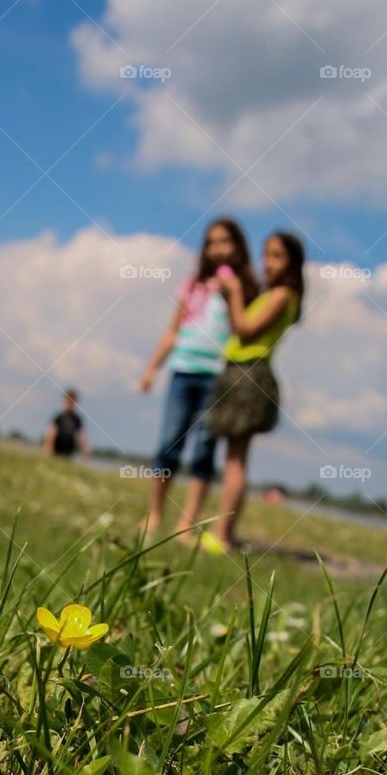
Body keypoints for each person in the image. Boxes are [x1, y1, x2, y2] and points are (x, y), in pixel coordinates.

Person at [139, 218, 258, 541]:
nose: (218, 248)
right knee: (168, 444)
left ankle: (185, 524)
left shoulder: (245, 286)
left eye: (225, 241)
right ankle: (154, 515)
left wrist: (232, 291)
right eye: (212, 242)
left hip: (218, 376)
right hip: (183, 369)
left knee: (204, 451)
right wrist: (152, 367)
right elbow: (173, 329)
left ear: (238, 246)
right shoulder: (193, 284)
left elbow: (243, 331)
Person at [201, 231, 305, 554]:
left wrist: (232, 293)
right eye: (266, 254)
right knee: (233, 457)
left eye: (277, 256)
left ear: (292, 263)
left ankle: (221, 533)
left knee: (235, 461)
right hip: (240, 371)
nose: (268, 262)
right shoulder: (270, 293)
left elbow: (245, 329)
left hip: (250, 374)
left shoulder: (282, 295)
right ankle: (225, 532)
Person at [44, 388, 90, 459]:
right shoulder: (59, 416)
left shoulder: (76, 419)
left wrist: (85, 451)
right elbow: (51, 433)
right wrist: (49, 450)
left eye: (72, 402)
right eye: (68, 401)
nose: (70, 404)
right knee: (51, 433)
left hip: (68, 451)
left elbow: (81, 435)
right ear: (64, 401)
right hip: (57, 448)